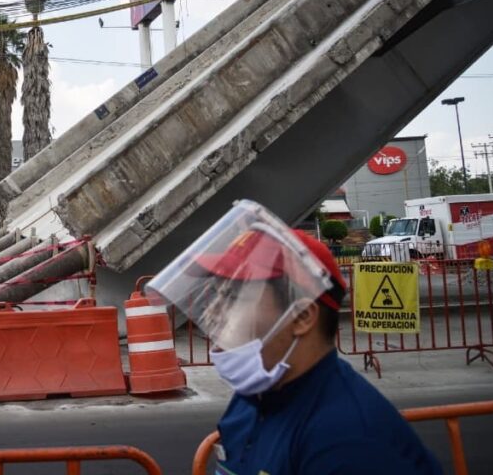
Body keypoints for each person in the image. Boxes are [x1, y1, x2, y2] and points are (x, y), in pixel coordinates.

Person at [146, 200, 442, 475]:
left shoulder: (350, 441)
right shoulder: (252, 400)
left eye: (235, 294)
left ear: (301, 317)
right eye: (219, 293)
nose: (216, 309)